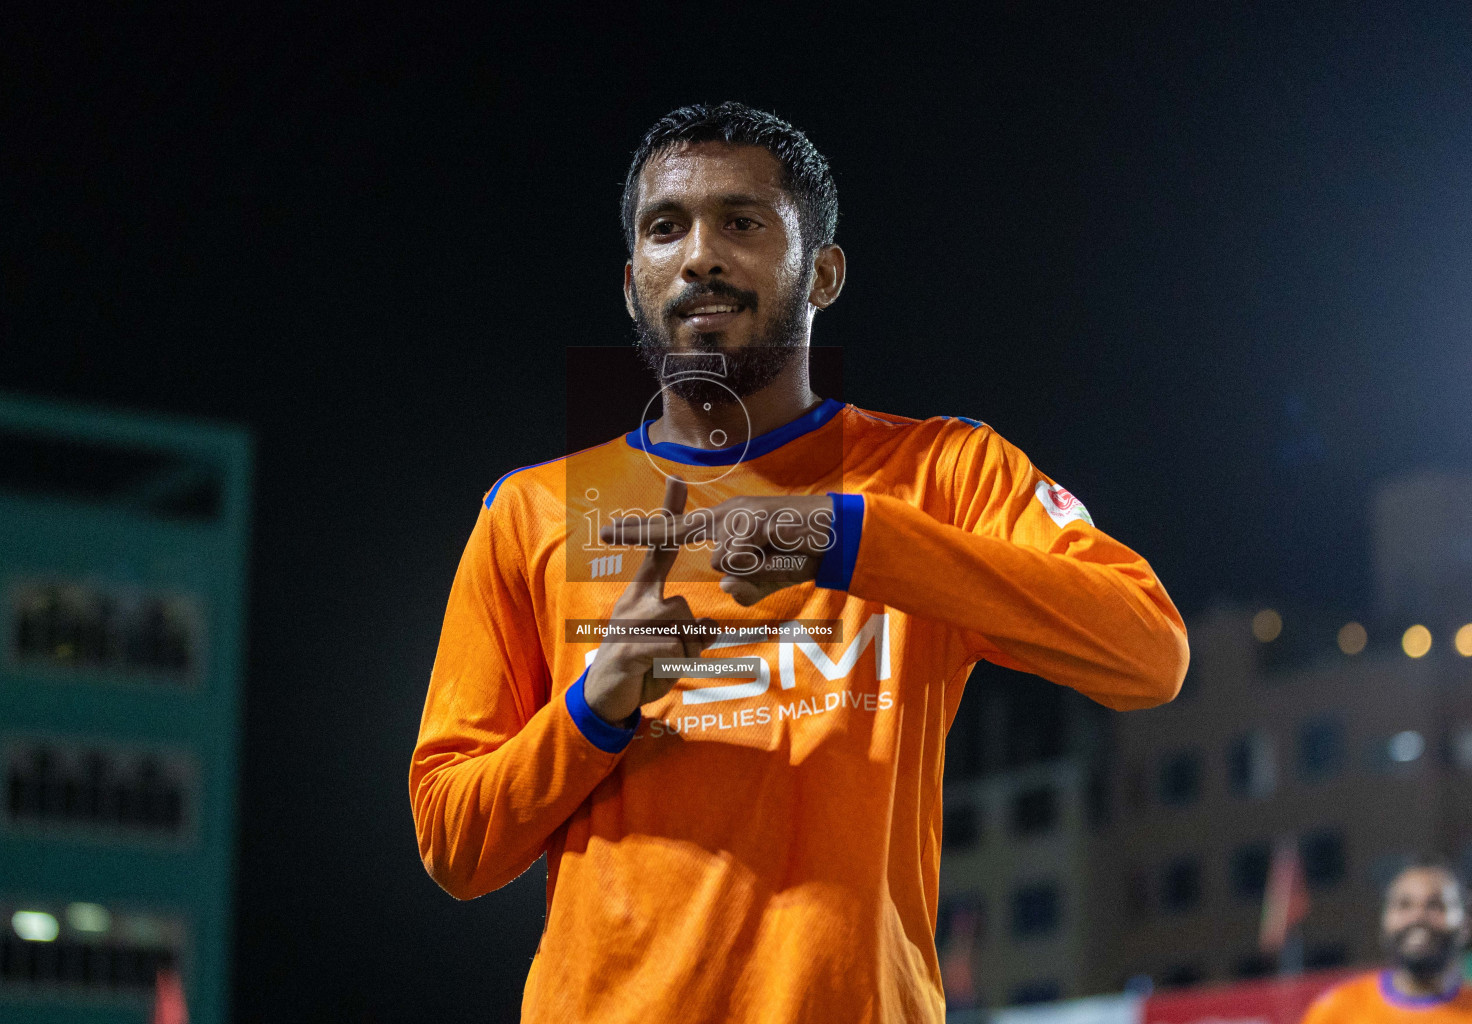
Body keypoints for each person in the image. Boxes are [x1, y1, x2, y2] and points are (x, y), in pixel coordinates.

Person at [409, 101, 1189, 1023]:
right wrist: (595, 705)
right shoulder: (533, 511)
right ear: (632, 283)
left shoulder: (943, 472)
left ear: (822, 273)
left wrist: (850, 539)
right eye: (667, 229)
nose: (699, 254)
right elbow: (454, 844)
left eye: (742, 222)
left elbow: (1150, 655)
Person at [1301, 858, 1472, 1023]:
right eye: (1404, 905)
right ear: (1384, 920)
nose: (1417, 917)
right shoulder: (1337, 1011)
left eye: (1435, 905)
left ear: (1466, 923)